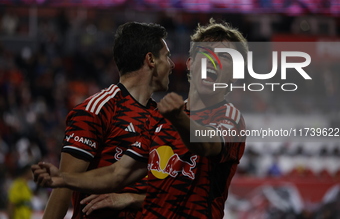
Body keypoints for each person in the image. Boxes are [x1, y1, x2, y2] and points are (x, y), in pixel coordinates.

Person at [32, 18, 248, 219]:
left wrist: (178, 118)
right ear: (190, 63)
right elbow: (119, 173)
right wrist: (63, 179)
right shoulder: (155, 119)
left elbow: (206, 144)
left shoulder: (229, 119)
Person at [41, 21, 174, 219]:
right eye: (167, 56)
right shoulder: (97, 110)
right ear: (150, 60)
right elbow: (63, 189)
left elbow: (170, 196)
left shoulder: (164, 120)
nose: (172, 65)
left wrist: (130, 198)